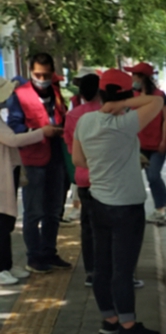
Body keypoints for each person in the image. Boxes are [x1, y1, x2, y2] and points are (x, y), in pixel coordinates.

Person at [72, 69, 164, 334]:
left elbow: (79, 160)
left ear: (101, 93)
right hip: (126, 206)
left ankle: (109, 319)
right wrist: (123, 104)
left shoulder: (85, 121)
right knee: (123, 268)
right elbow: (157, 101)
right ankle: (127, 325)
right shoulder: (125, 124)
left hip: (97, 201)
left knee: (102, 265)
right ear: (127, 94)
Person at [7, 52, 71, 273]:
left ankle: (49, 252)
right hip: (33, 159)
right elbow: (15, 127)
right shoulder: (20, 95)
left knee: (54, 210)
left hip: (57, 156)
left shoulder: (55, 92)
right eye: (37, 75)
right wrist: (39, 131)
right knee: (34, 212)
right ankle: (34, 257)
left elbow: (62, 116)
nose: (41, 79)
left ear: (52, 73)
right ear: (30, 73)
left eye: (46, 75)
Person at [0, 79, 61, 285]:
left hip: (7, 173)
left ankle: (7, 265)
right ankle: (1, 268)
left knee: (6, 222)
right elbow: (14, 139)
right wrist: (42, 132)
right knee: (2, 223)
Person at [64, 72, 102, 286]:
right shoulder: (108, 113)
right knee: (111, 227)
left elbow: (71, 148)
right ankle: (116, 271)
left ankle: (91, 272)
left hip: (84, 177)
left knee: (88, 227)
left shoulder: (73, 115)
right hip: (107, 178)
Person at [125, 62, 166, 224]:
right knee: (151, 177)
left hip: (157, 143)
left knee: (153, 175)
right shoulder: (133, 96)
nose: (132, 78)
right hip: (141, 144)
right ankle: (159, 209)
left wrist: (164, 140)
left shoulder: (159, 95)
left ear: (142, 77)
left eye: (134, 75)